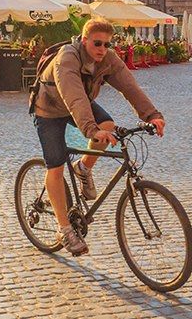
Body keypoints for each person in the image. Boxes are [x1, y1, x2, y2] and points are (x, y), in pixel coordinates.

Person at [33, 18, 165, 256]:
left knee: (108, 125)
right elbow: (74, 95)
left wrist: (152, 115)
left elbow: (129, 86)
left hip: (79, 103)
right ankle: (64, 229)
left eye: (107, 44)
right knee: (56, 166)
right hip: (49, 108)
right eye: (97, 43)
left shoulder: (107, 58)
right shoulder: (68, 57)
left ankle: (83, 168)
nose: (102, 49)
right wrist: (91, 130)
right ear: (85, 41)